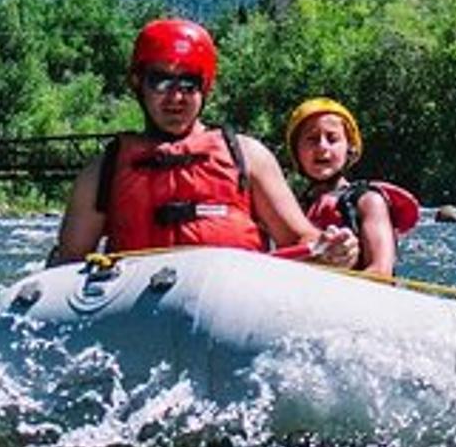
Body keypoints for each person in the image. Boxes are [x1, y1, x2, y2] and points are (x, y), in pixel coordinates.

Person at [50, 19, 358, 267]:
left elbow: (300, 239)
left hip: (233, 309)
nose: (176, 98)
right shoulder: (103, 171)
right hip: (137, 313)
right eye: (160, 81)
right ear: (137, 84)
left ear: (204, 88)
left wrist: (332, 250)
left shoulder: (249, 157)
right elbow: (68, 265)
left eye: (189, 84)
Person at [283, 97, 420, 278]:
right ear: (296, 151)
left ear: (350, 149)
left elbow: (381, 272)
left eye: (332, 139)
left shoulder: (368, 201)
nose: (322, 147)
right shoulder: (291, 209)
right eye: (312, 139)